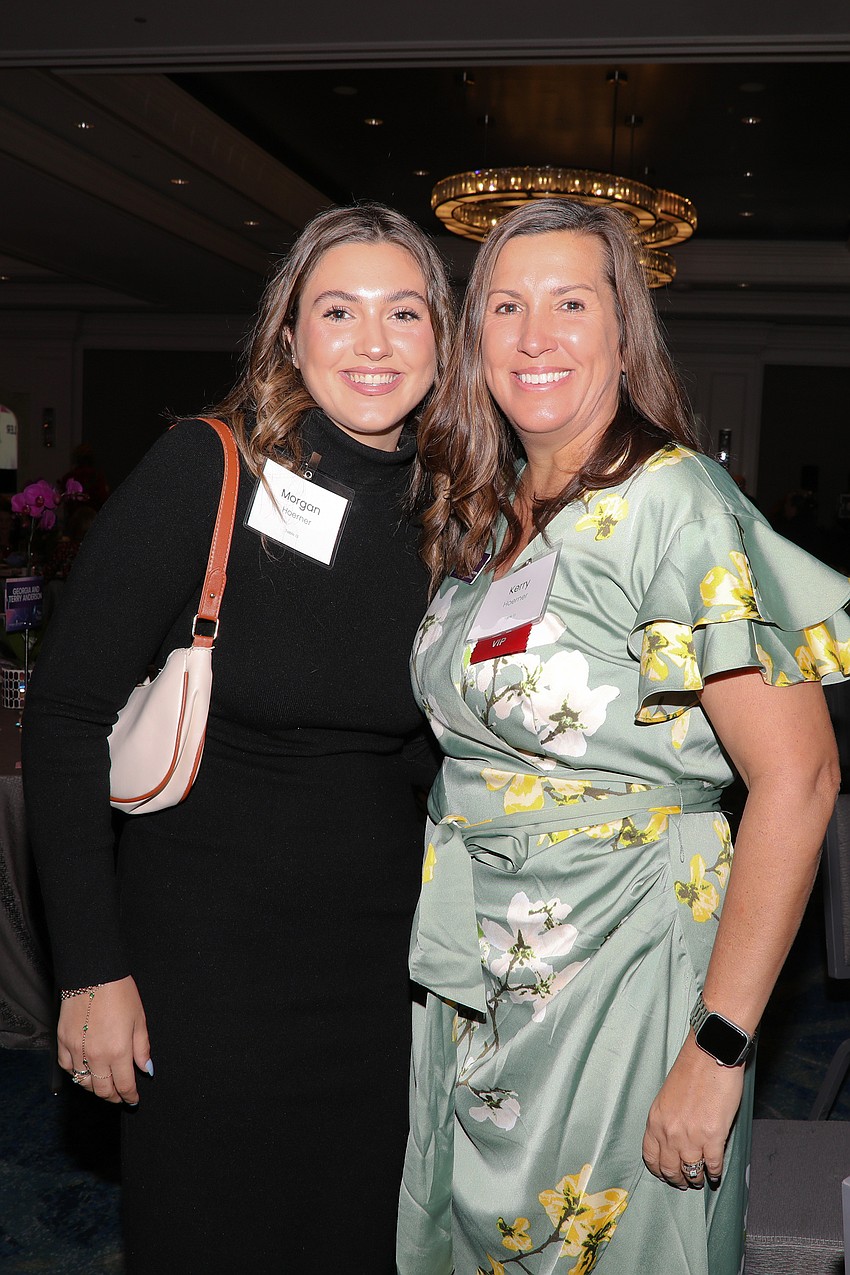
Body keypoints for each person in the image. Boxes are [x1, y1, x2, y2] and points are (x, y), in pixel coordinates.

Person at [399, 199, 849, 1275]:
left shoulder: (672, 502)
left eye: (569, 302)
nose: (532, 334)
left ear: (620, 330)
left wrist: (719, 1047)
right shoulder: (491, 506)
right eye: (504, 305)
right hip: (490, 965)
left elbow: (801, 778)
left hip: (628, 968)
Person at [22, 202, 454, 1273]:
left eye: (404, 313)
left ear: (443, 341)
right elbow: (67, 716)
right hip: (201, 971)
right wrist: (89, 974)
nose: (371, 343)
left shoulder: (454, 514)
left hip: (373, 977)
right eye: (338, 311)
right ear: (290, 335)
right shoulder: (207, 473)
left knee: (354, 1239)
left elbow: (412, 748)